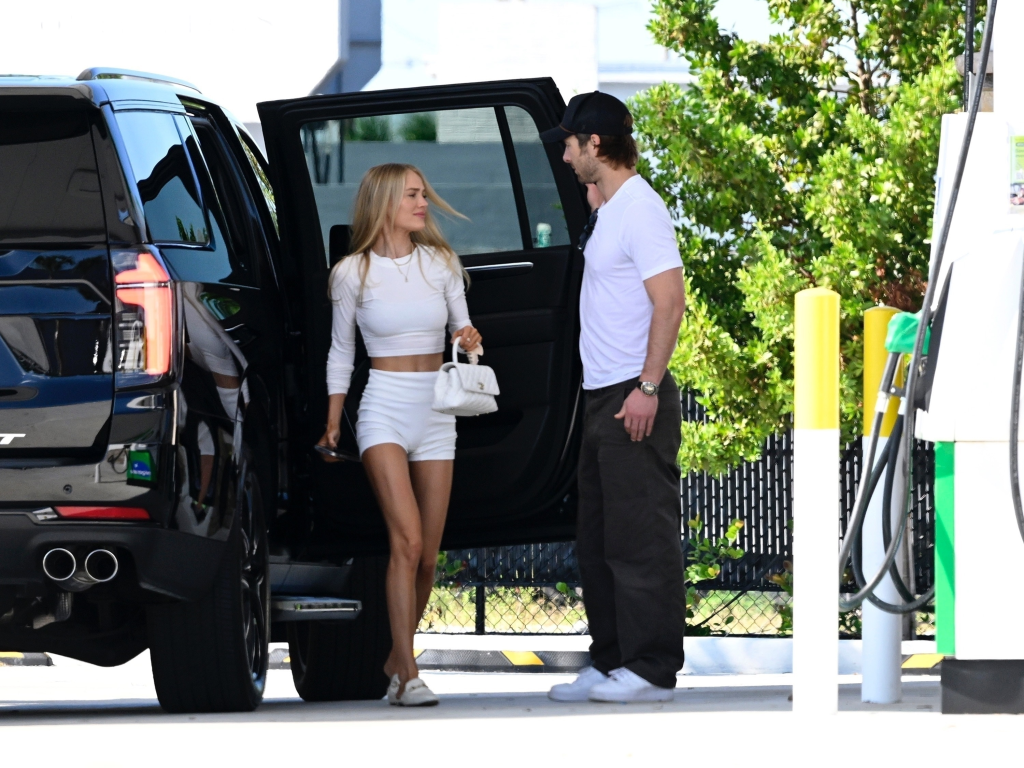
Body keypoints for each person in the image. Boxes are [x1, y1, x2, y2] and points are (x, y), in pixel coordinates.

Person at [318, 163, 482, 707]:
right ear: (385, 203)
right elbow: (341, 351)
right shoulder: (351, 273)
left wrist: (469, 337)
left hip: (436, 408)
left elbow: (465, 336)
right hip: (383, 408)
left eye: (424, 194)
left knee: (429, 556)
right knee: (405, 542)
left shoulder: (441, 264)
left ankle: (395, 655)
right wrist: (334, 418)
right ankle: (408, 674)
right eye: (413, 195)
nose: (423, 203)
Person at [541, 92, 687, 703]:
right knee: (599, 537)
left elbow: (669, 300)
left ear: (595, 144)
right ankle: (609, 660)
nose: (568, 157)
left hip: (633, 391)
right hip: (602, 395)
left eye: (572, 145)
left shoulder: (642, 210)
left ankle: (651, 668)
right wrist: (594, 197)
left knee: (640, 537)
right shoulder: (611, 207)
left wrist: (647, 387)